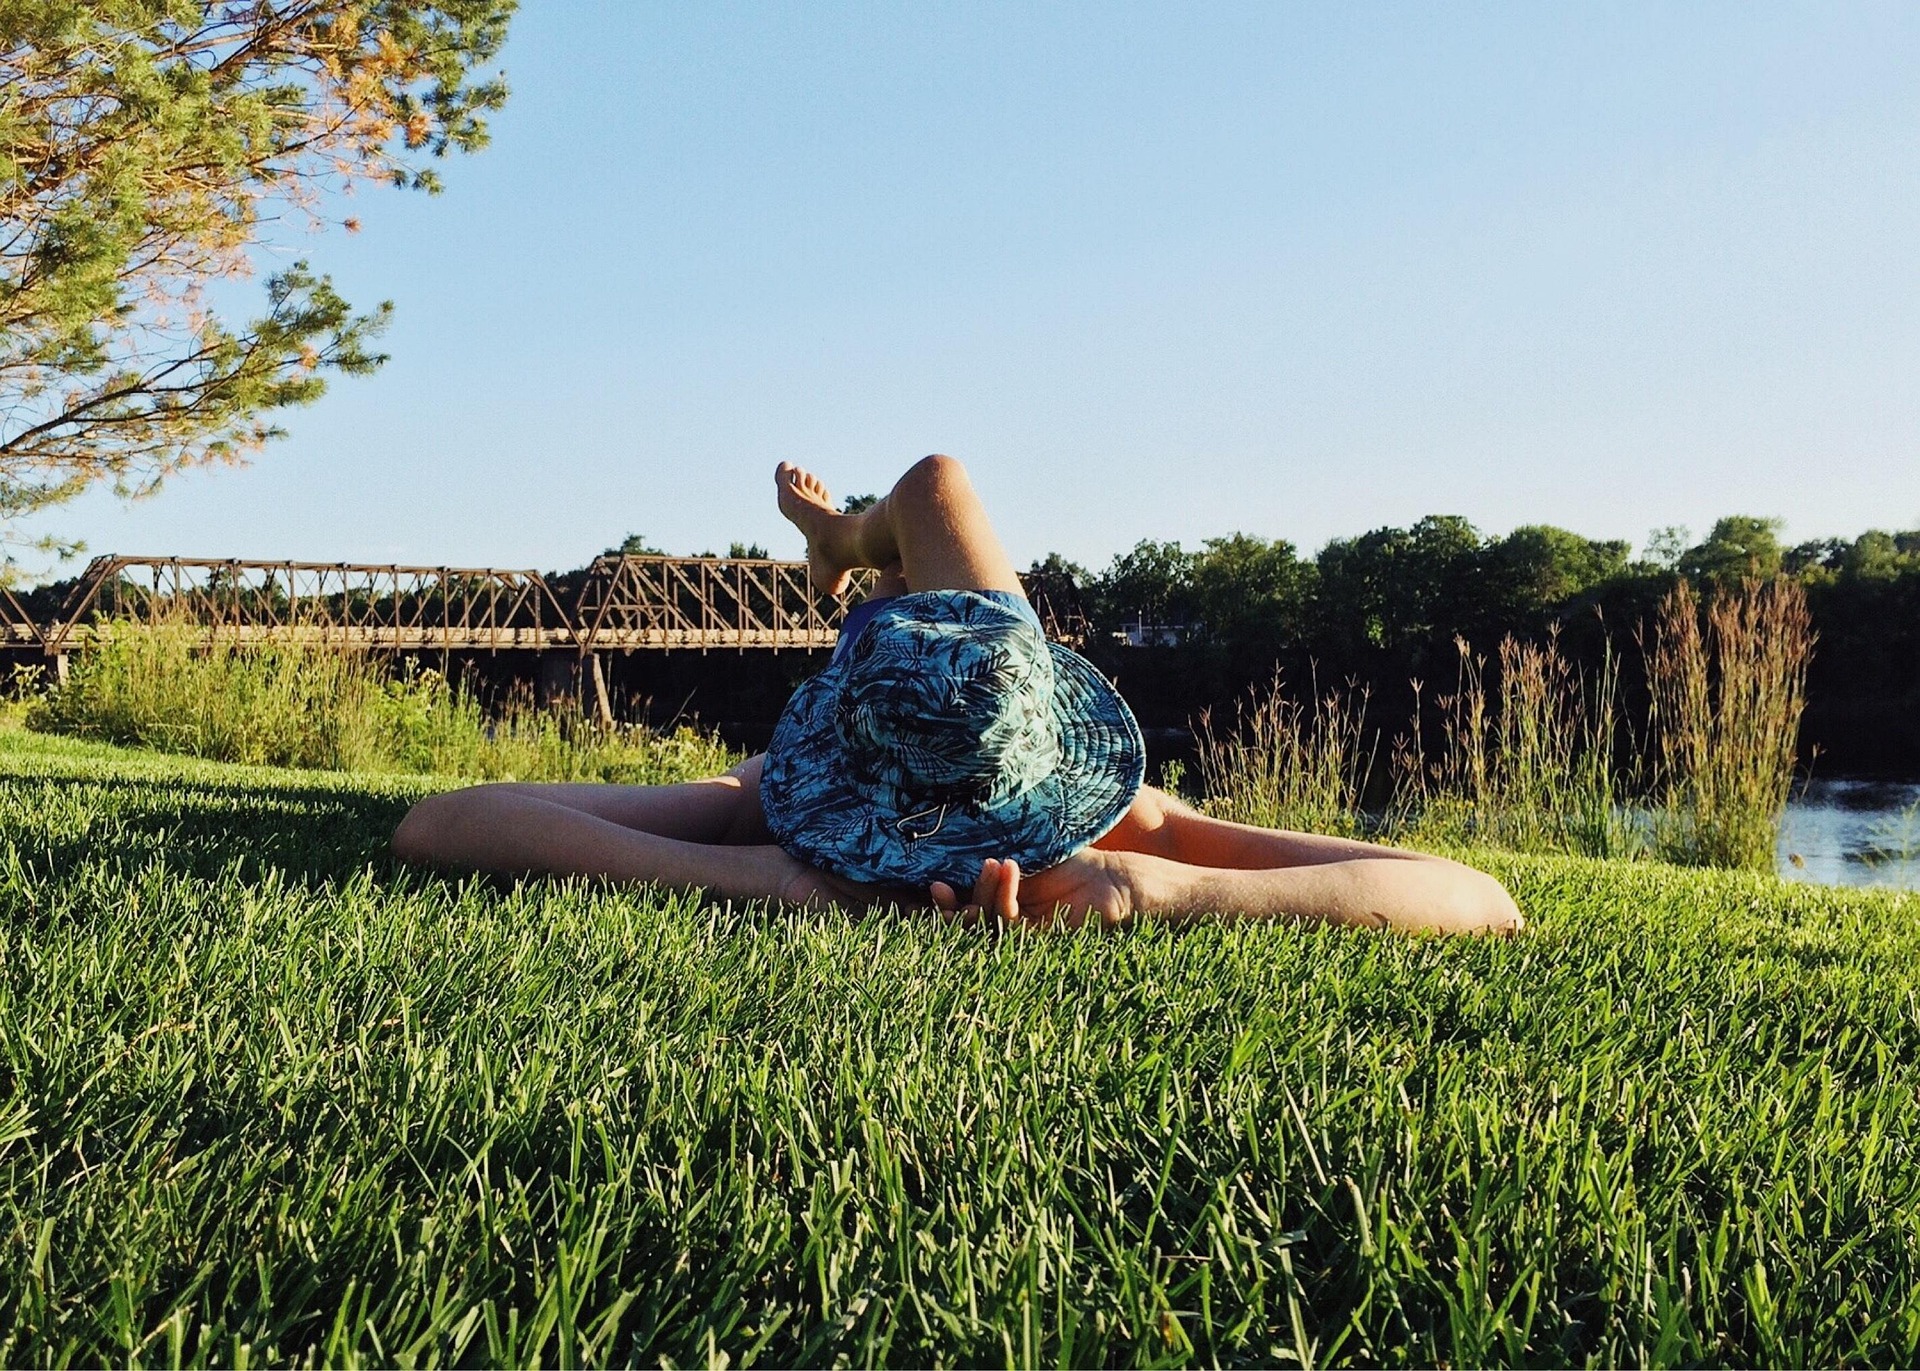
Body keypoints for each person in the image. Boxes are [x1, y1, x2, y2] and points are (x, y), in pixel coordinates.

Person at [392, 455, 1522, 935]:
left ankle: (852, 555)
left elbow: (440, 823)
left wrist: (761, 875)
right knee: (934, 486)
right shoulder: (1126, 824)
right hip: (970, 706)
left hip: (910, 721)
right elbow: (1478, 897)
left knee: (927, 502)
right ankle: (854, 552)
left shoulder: (768, 808)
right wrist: (1157, 881)